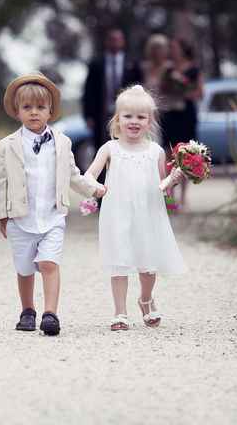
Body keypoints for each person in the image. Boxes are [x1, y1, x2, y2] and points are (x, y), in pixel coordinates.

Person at [0, 73, 106, 336]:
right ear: (17, 111)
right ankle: (27, 310)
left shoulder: (62, 142)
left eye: (40, 108)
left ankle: (51, 314)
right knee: (24, 268)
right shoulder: (7, 145)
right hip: (21, 217)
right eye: (27, 108)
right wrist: (2, 215)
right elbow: (1, 182)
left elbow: (73, 175)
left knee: (49, 263)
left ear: (50, 111)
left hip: (53, 216)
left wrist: (96, 189)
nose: (34, 113)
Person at [84, 85, 186, 331]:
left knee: (147, 262)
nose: (134, 121)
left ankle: (146, 298)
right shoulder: (110, 149)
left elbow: (163, 187)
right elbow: (89, 174)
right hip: (117, 213)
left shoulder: (156, 151)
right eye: (128, 116)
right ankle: (120, 312)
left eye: (141, 117)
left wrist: (173, 179)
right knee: (119, 262)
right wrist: (95, 188)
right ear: (117, 119)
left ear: (149, 121)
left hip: (148, 213)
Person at [82, 28, 142, 154]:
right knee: (101, 148)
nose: (115, 42)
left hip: (126, 113)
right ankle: (102, 173)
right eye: (112, 40)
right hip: (101, 114)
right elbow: (88, 91)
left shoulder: (132, 63)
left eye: (118, 40)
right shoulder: (97, 63)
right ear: (107, 42)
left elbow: (139, 88)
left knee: (125, 147)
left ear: (123, 42)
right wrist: (88, 116)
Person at [165, 38, 204, 209]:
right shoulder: (168, 69)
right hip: (170, 115)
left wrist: (184, 91)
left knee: (186, 155)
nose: (171, 50)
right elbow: (163, 88)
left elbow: (200, 93)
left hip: (187, 115)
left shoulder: (194, 69)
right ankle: (170, 198)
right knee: (169, 155)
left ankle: (183, 197)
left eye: (174, 47)